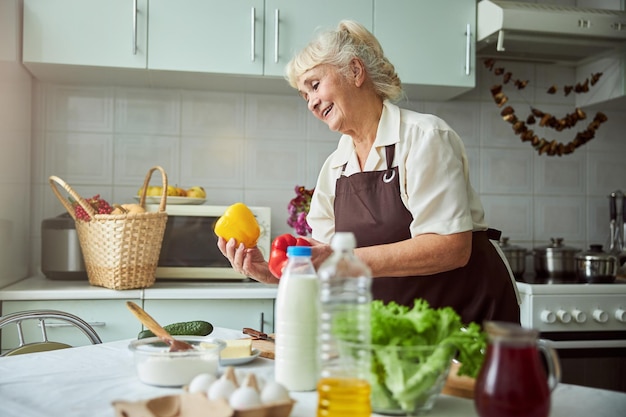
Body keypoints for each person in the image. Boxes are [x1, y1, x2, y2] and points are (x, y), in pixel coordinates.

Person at [218, 20, 520, 325]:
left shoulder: (424, 137)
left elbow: (451, 247)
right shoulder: (336, 167)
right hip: (400, 332)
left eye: (314, 84)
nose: (310, 102)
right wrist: (271, 272)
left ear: (355, 71)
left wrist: (338, 259)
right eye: (304, 95)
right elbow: (326, 269)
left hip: (465, 319)